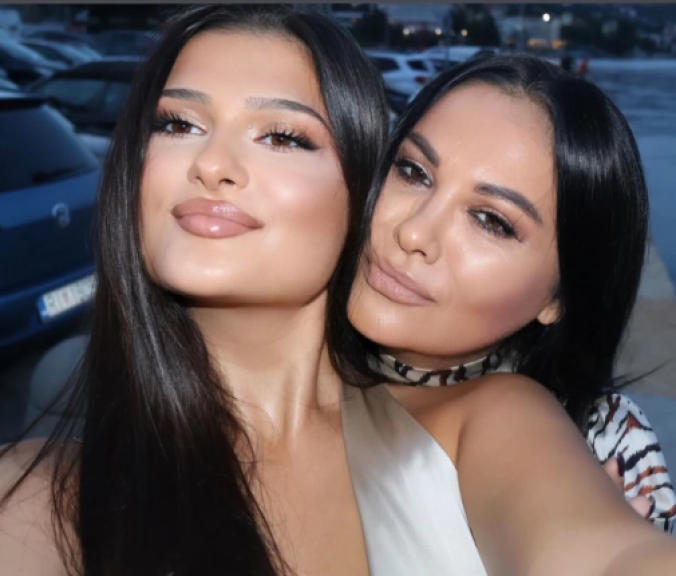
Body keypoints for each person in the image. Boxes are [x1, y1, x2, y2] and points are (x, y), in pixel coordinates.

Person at [0, 7, 673, 575]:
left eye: (282, 135)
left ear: (354, 183)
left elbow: (608, 554)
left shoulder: (486, 425)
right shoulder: (38, 495)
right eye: (178, 124)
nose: (211, 164)